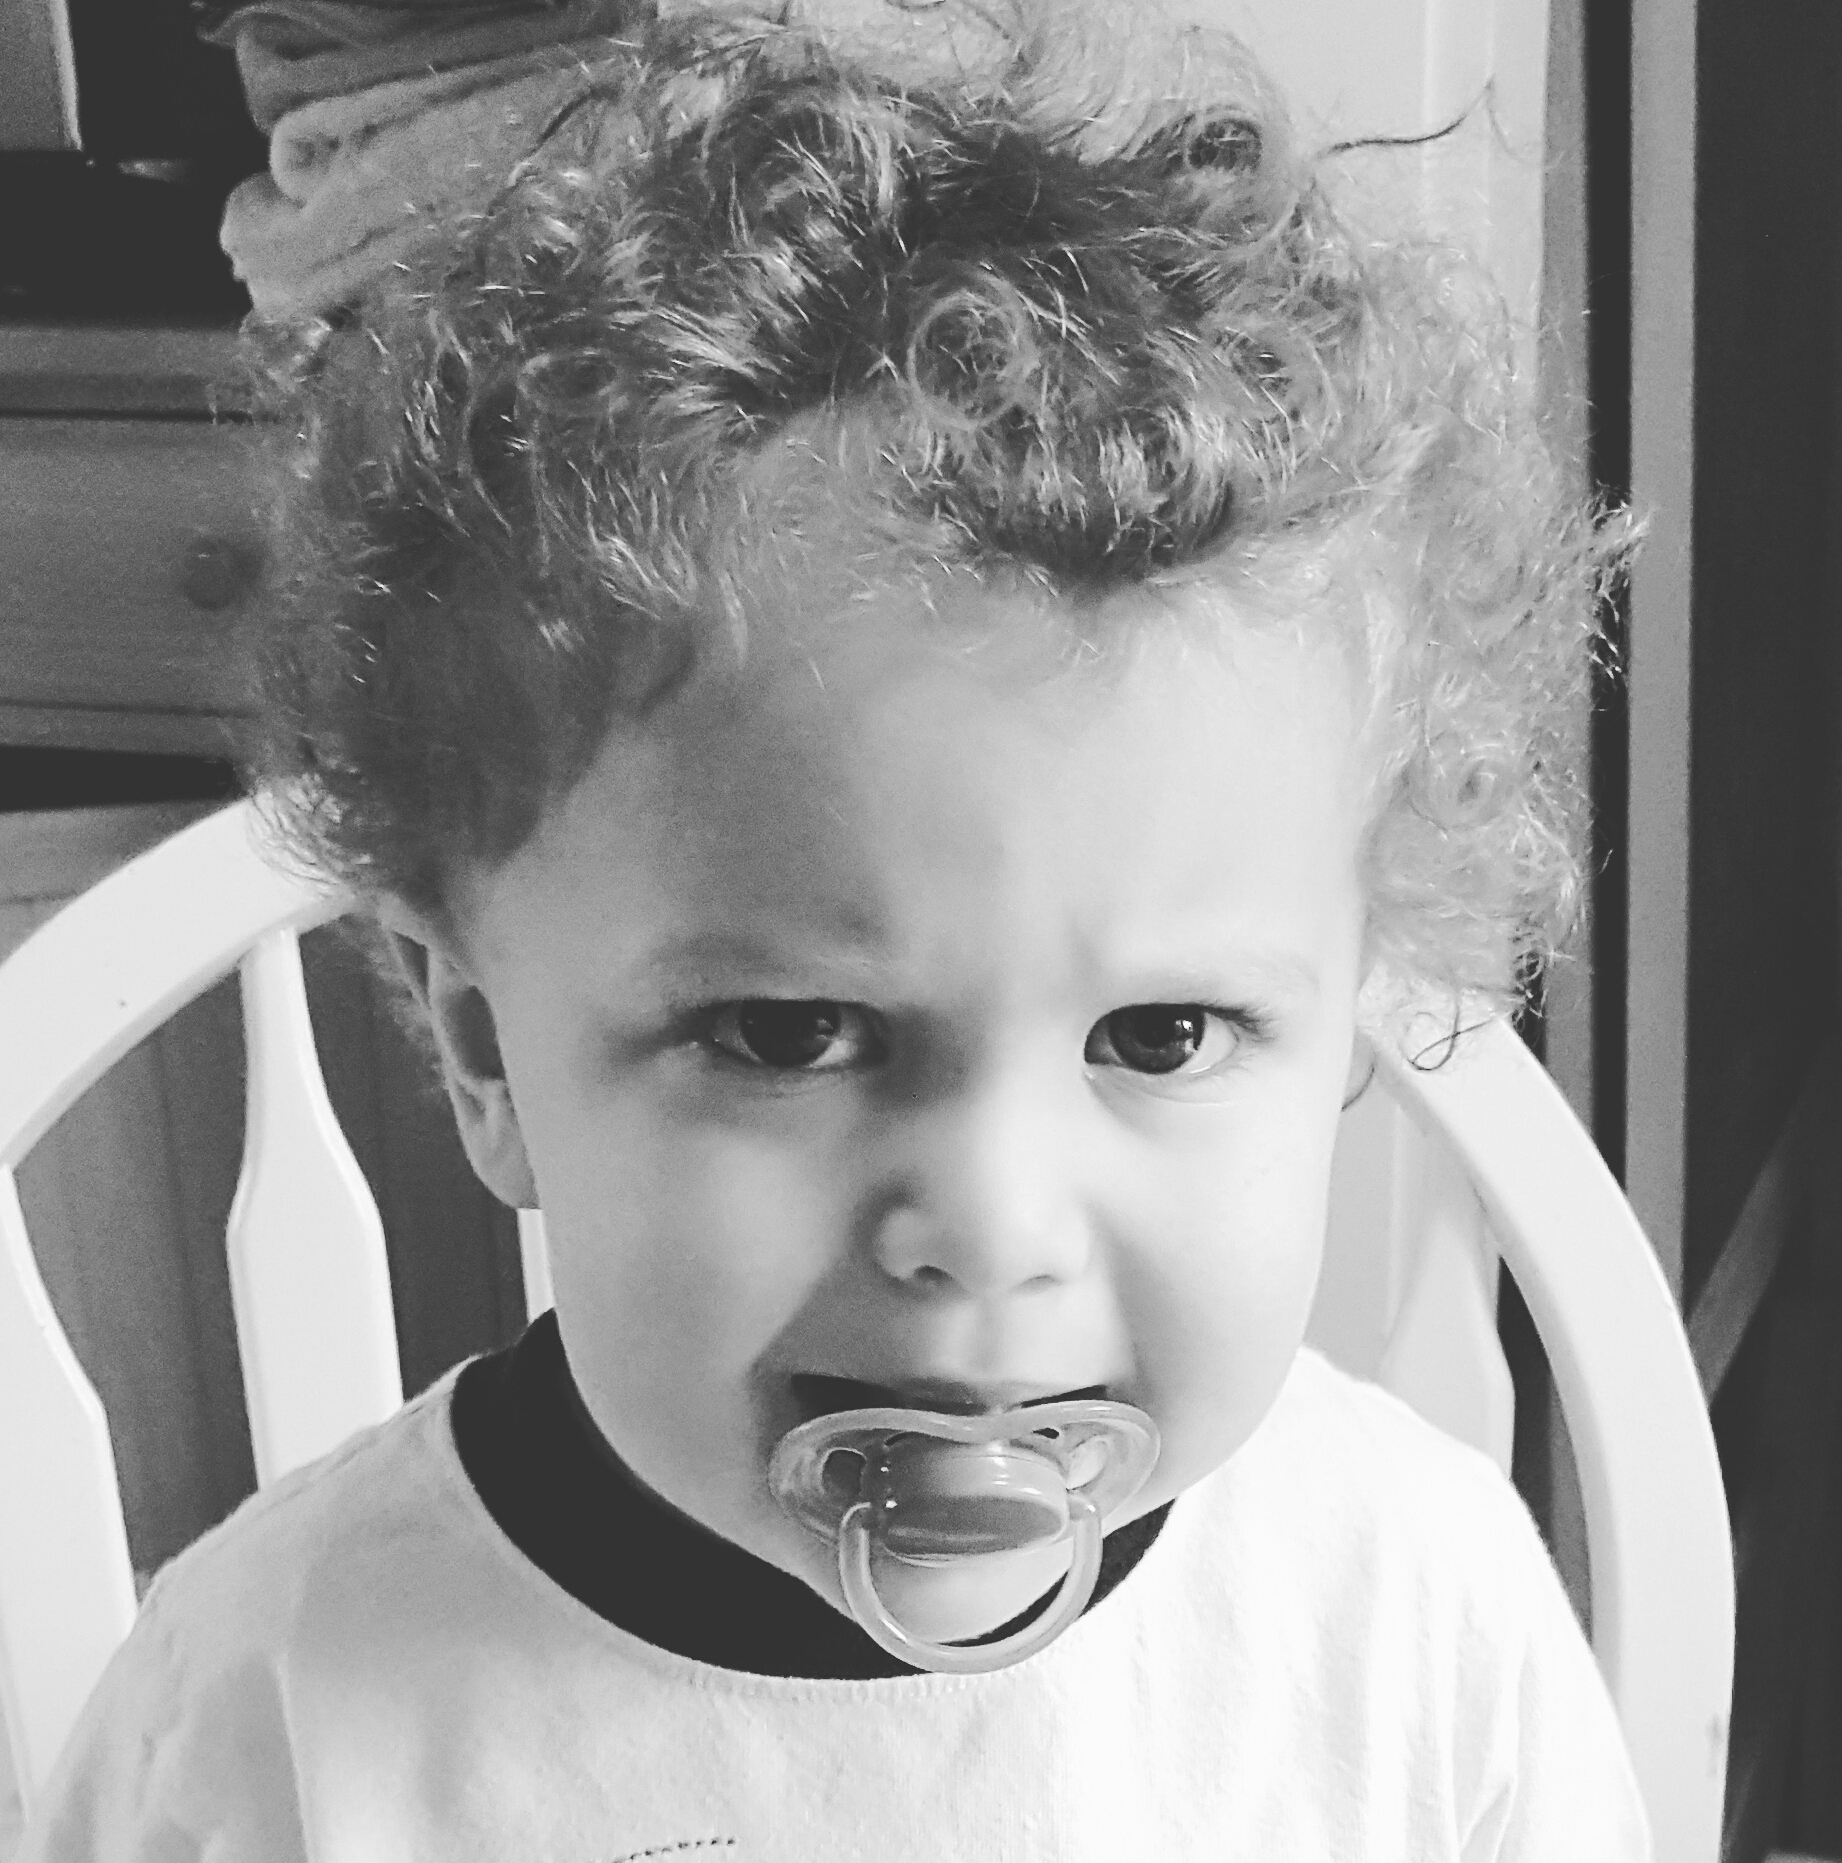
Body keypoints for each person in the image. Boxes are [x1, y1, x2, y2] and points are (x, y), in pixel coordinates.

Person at [21, 3, 1649, 1855]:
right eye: (791, 1034)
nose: (991, 1227)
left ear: (1344, 1026)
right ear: (483, 1051)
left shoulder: (1416, 1626)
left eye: (1163, 1036)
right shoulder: (263, 1711)